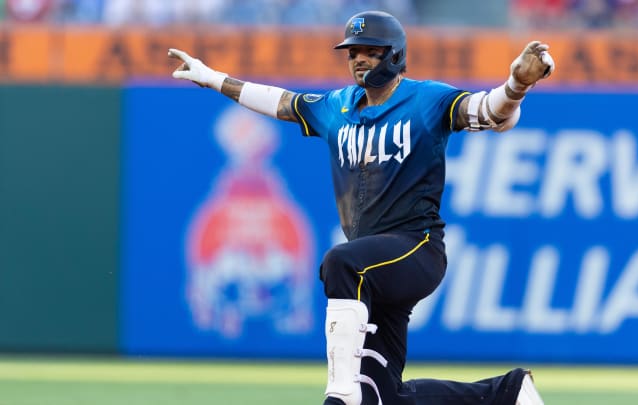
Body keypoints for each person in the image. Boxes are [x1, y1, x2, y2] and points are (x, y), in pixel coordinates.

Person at [169, 10, 554, 405]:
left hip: (415, 248)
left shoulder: (425, 99)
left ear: (395, 54)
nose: (358, 59)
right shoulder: (338, 106)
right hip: (373, 267)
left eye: (369, 50)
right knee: (383, 397)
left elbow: (486, 111)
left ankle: (338, 393)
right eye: (352, 52)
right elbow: (282, 101)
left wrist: (517, 85)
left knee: (342, 263)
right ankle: (507, 394)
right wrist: (213, 79)